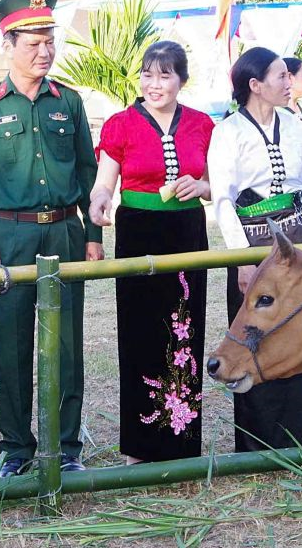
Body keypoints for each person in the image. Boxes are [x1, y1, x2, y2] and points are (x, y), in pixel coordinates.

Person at [0, 0, 103, 478]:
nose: (45, 52)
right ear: (8, 45)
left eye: (50, 42)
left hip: (63, 233)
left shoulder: (70, 102)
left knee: (66, 345)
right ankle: (17, 448)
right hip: (10, 237)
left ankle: (66, 446)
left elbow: (87, 172)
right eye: (33, 44)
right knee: (14, 346)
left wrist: (93, 236)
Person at [89, 41, 213, 464]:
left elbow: (216, 184)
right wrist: (100, 202)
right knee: (140, 331)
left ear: (182, 80)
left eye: (165, 75)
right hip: (138, 232)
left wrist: (202, 186)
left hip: (187, 231)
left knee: (185, 329)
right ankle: (140, 447)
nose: (154, 84)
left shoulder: (201, 124)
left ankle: (181, 442)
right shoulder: (120, 124)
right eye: (147, 74)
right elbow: (105, 183)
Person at [208, 46, 302, 453]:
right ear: (255, 85)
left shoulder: (296, 127)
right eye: (280, 75)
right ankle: (260, 443)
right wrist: (242, 258)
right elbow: (223, 200)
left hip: (299, 242)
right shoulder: (228, 132)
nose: (288, 82)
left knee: (301, 330)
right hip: (254, 245)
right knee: (256, 333)